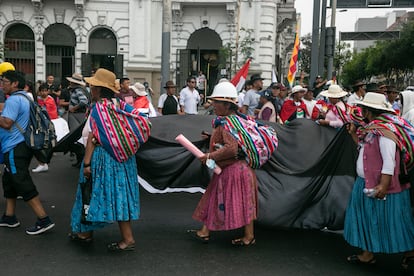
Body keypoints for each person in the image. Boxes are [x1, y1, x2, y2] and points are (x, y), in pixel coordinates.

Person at [69, 68, 150, 251]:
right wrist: (124, 143)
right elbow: (144, 122)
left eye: (92, 86)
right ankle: (126, 238)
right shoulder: (121, 105)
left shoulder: (99, 109)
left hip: (103, 159)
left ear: (98, 89)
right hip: (123, 159)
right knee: (121, 195)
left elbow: (91, 137)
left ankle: (85, 232)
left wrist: (87, 163)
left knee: (89, 193)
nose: (90, 89)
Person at [344, 92, 414, 269]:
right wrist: (353, 134)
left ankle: (409, 251)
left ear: (368, 112)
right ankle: (368, 254)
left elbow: (389, 160)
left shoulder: (384, 131)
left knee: (394, 220)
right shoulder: (372, 129)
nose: (361, 113)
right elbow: (364, 149)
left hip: (381, 185)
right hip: (366, 182)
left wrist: (383, 185)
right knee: (369, 218)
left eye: (363, 110)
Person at [188, 81, 258, 246]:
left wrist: (209, 155)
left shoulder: (226, 124)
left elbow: (231, 149)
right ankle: (246, 235)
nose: (213, 105)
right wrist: (211, 138)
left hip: (232, 170)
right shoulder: (236, 120)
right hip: (242, 169)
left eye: (217, 102)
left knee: (215, 196)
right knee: (240, 200)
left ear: (227, 105)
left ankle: (209, 232)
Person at [0, 69, 55, 235]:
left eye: (5, 82)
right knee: (9, 180)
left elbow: (7, 123)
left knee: (21, 180)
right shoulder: (25, 97)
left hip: (14, 147)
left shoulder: (13, 101)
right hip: (21, 145)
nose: (2, 85)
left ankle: (43, 219)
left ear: (15, 83)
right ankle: (9, 216)